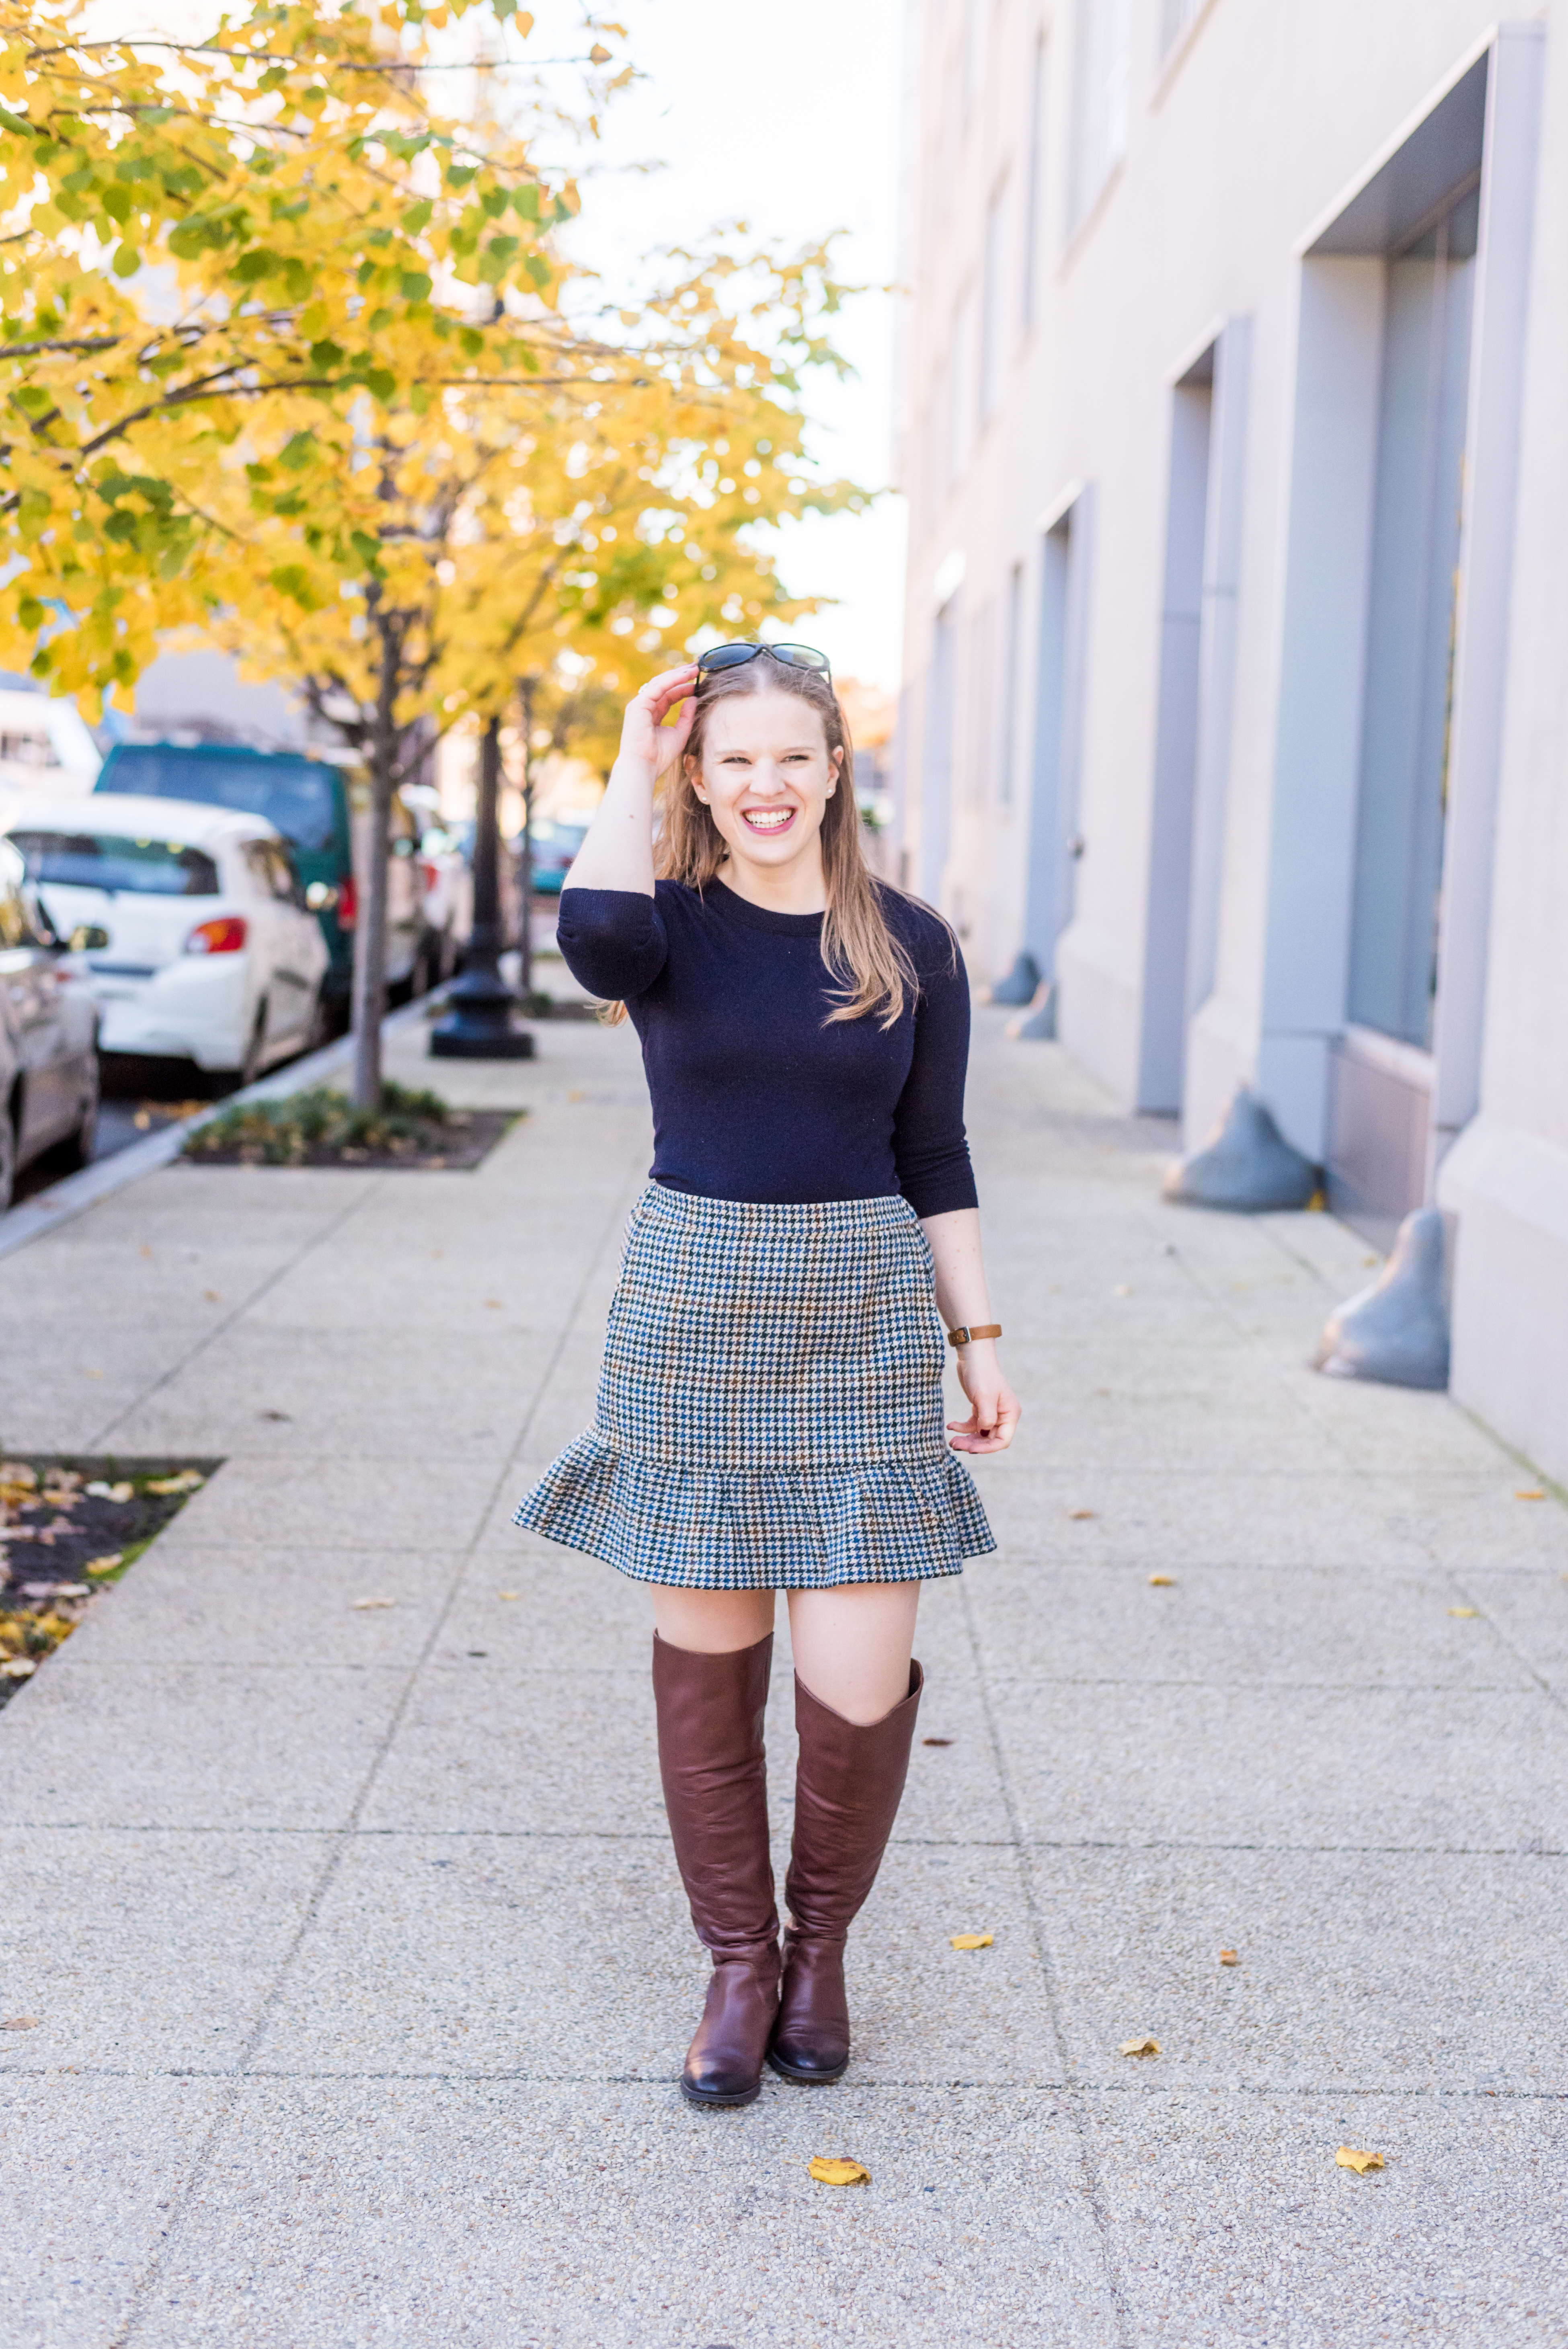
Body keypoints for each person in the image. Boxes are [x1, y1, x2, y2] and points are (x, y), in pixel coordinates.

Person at [516, 641, 1020, 2109]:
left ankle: (822, 1958)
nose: (764, 784)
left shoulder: (909, 943)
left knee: (853, 1688)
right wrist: (627, 746)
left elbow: (936, 1154)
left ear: (835, 765)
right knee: (710, 1674)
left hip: (860, 1323)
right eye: (733, 757)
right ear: (699, 772)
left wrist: (977, 1339)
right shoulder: (663, 927)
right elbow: (591, 941)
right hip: (693, 1318)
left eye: (791, 754)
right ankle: (738, 1965)